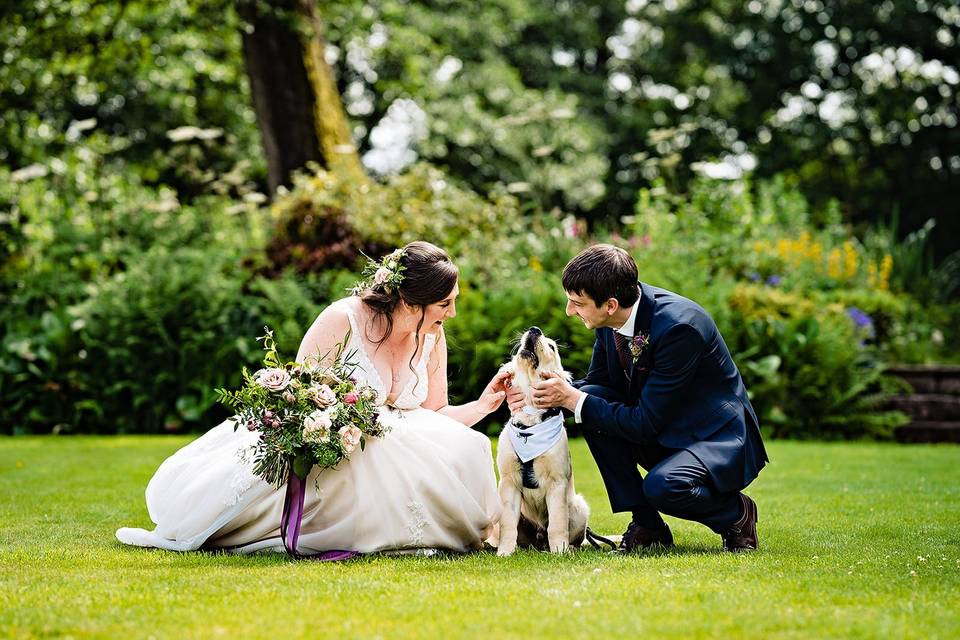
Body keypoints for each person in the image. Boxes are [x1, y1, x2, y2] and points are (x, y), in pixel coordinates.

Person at [117, 241, 508, 555]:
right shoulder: (343, 319)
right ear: (410, 301)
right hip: (335, 445)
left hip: (392, 439)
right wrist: (337, 425)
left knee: (469, 445)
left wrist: (485, 404)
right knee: (379, 448)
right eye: (445, 303)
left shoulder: (431, 335)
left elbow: (434, 416)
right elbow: (300, 396)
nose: (453, 313)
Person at [509, 244, 768, 552]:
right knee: (589, 399)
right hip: (664, 424)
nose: (569, 311)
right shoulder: (610, 321)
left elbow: (645, 423)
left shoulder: (680, 328)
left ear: (610, 304)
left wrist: (571, 399)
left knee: (663, 485)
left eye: (577, 303)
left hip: (714, 437)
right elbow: (597, 385)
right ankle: (648, 525)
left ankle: (736, 514)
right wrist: (540, 393)